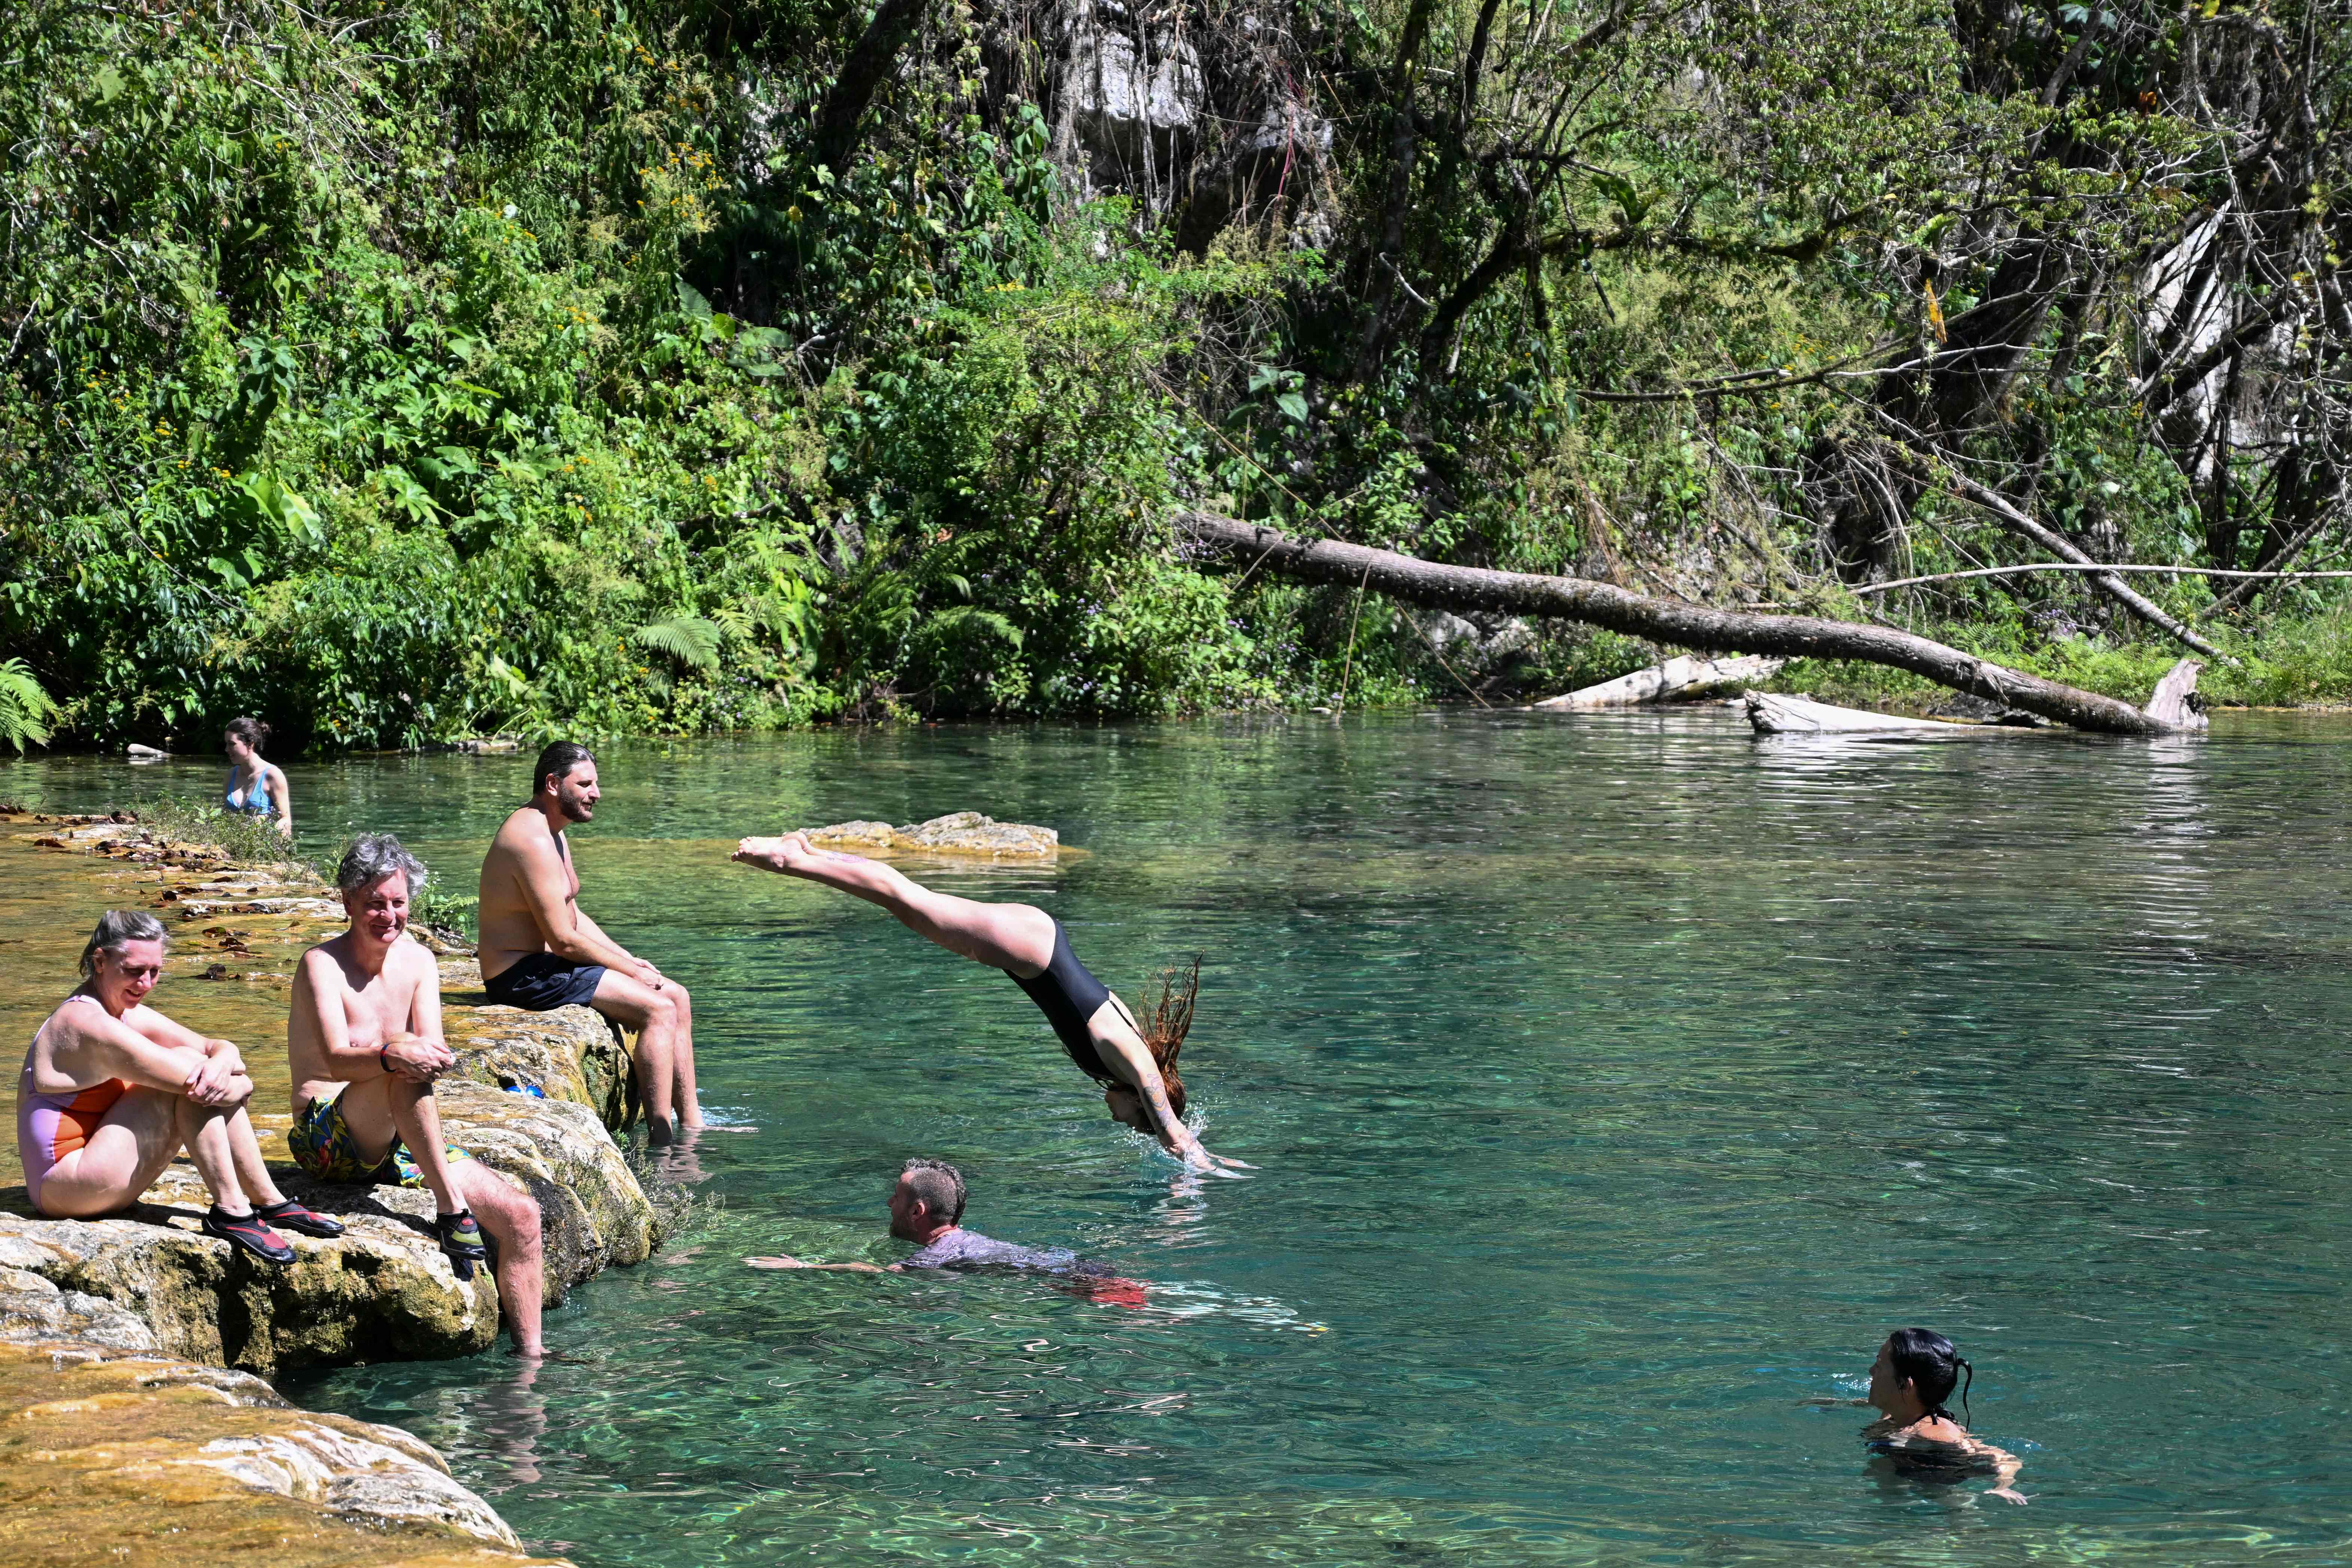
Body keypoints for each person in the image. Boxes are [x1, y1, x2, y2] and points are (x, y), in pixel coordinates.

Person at [731, 831, 1243, 1172]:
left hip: (1037, 943)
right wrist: (1193, 1159)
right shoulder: (1128, 1059)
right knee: (909, 902)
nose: (1118, 1121)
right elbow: (1170, 1124)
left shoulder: (1130, 1052)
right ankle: (787, 859)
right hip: (1031, 952)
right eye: (1132, 1119)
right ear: (1139, 1099)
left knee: (908, 901)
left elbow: (1157, 1097)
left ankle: (803, 852)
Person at [288, 834, 548, 1357]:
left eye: (398, 902)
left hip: (401, 1139)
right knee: (400, 1056)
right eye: (374, 904)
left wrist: (430, 1057)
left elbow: (433, 1050)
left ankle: (531, 1361)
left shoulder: (421, 963)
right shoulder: (321, 964)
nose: (388, 915)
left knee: (522, 1216)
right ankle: (452, 1209)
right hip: (329, 1137)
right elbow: (340, 1059)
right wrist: (396, 1054)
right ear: (348, 903)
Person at [16, 910, 342, 1261]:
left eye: (154, 971)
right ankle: (232, 1210)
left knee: (194, 1065)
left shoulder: (122, 1012)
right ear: (100, 961)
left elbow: (218, 1047)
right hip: (65, 1189)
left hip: (98, 1174)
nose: (145, 983)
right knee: (188, 1080)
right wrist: (239, 1084)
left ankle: (268, 1201)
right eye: (134, 971)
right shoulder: (84, 1022)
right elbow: (197, 1083)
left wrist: (223, 1064)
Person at [478, 742, 702, 1144]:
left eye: (595, 783)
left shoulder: (553, 831)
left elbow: (574, 915)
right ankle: (664, 1142)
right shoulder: (531, 840)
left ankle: (694, 1126)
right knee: (658, 1010)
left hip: (544, 965)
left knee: (677, 995)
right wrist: (630, 972)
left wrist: (628, 958)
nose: (596, 793)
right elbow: (563, 940)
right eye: (585, 784)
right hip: (519, 976)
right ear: (552, 783)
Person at [745, 1157, 1112, 1276]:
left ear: (917, 1212)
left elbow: (877, 1273)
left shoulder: (938, 1256)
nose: (889, 1203)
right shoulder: (967, 1243)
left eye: (896, 1197)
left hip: (1079, 1283)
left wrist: (803, 1268)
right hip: (1075, 1269)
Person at [1862, 1328, 2028, 1504]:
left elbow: (2004, 1458)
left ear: (1905, 1385)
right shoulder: (1896, 1413)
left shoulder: (1935, 1432)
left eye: (1879, 1365)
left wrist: (2003, 1486)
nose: (1871, 1371)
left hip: (1940, 1499)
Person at [221, 716, 293, 837]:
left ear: (250, 744)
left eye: (232, 744)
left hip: (261, 845)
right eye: (226, 744)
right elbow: (223, 816)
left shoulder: (273, 775)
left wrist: (262, 833)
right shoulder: (230, 775)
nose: (226, 749)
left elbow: (286, 820)